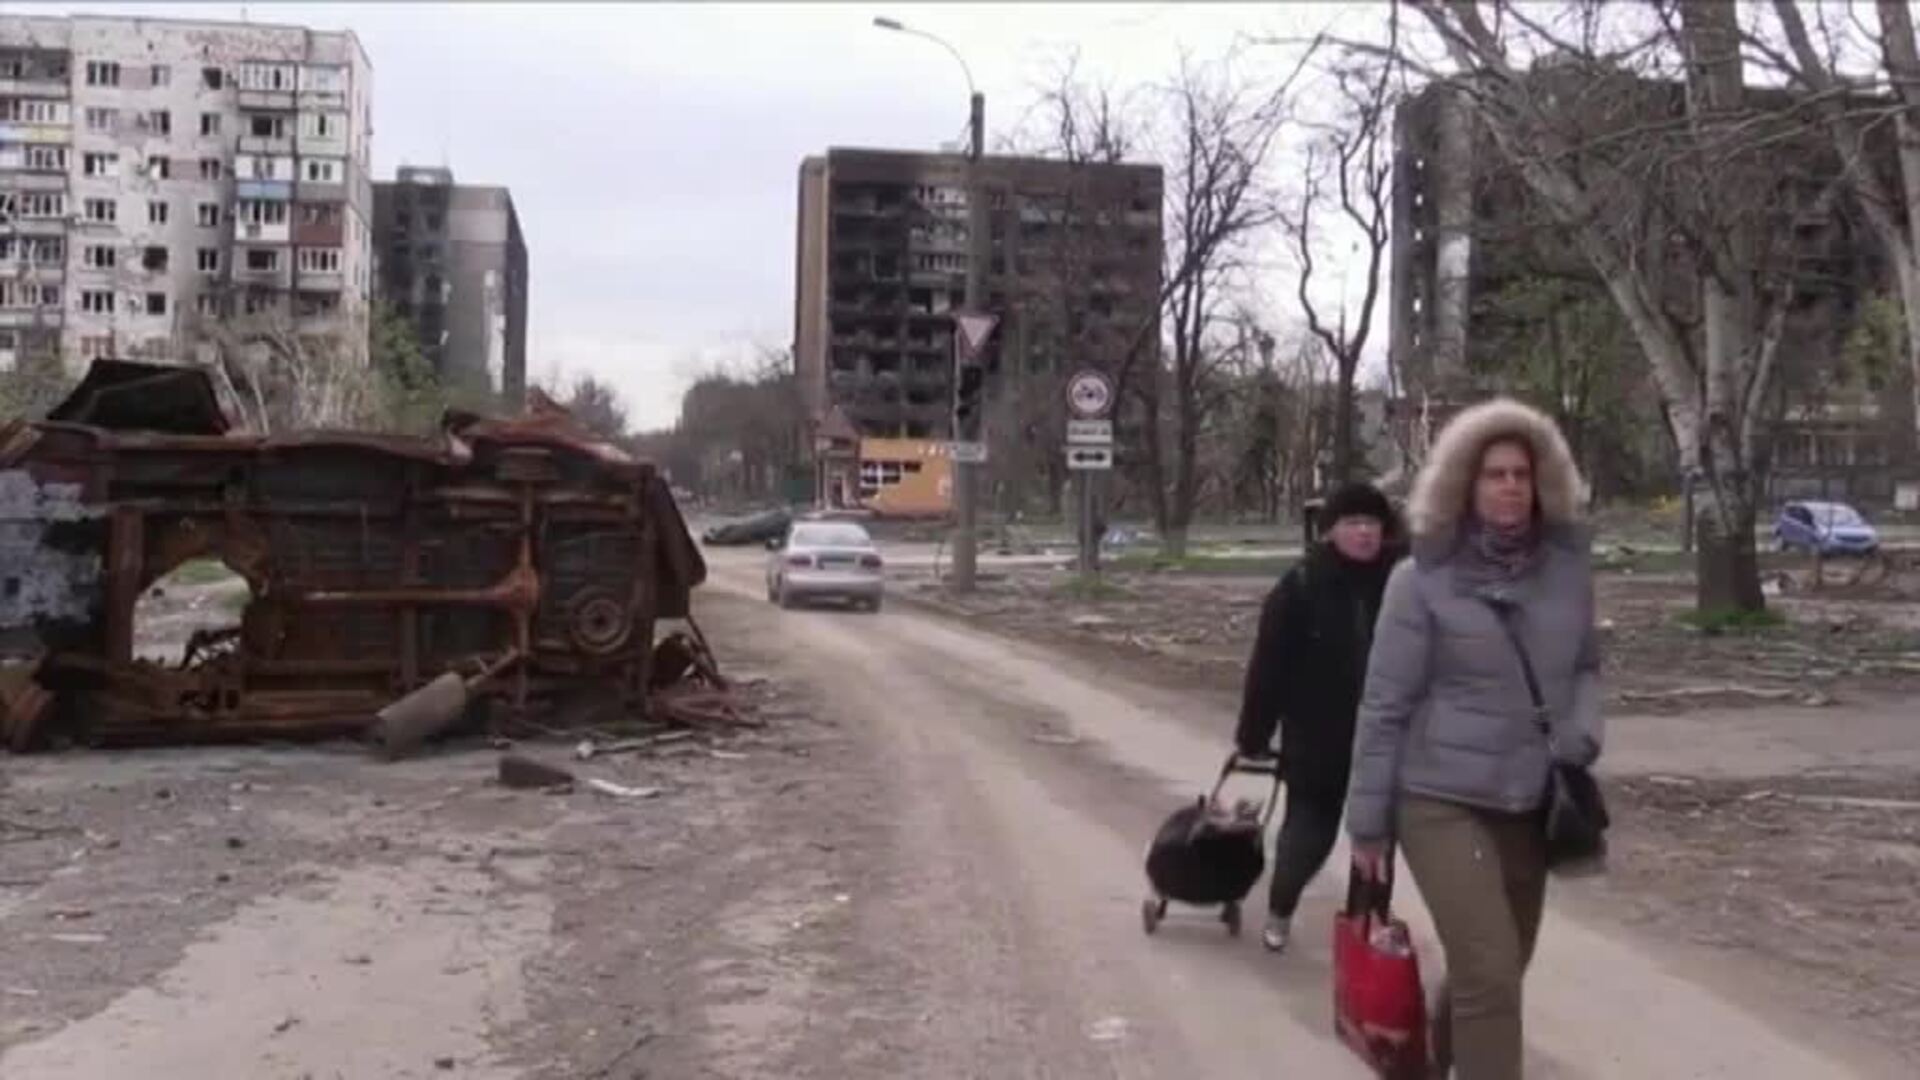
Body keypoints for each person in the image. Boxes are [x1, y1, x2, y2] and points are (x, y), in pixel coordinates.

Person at [1346, 398, 1602, 1079]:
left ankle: (1431, 1052)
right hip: (1438, 796)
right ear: (1464, 484)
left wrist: (1581, 734)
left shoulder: (1568, 573)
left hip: (1531, 796)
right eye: (1495, 474)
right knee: (1489, 971)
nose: (1511, 486)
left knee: (1502, 964)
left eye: (1521, 472)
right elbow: (1384, 705)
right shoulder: (1419, 582)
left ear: (1543, 481)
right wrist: (1368, 825)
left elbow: (1583, 668)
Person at [1233, 481, 1404, 953]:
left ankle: (1366, 930)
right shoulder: (1301, 585)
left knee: (1377, 843)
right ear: (1331, 531)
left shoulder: (1403, 580)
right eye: (1353, 523)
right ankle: (1281, 908)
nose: (1365, 533)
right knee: (1308, 835)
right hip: (1318, 734)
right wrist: (1254, 732)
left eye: (1372, 523)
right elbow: (1268, 667)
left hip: (1388, 736)